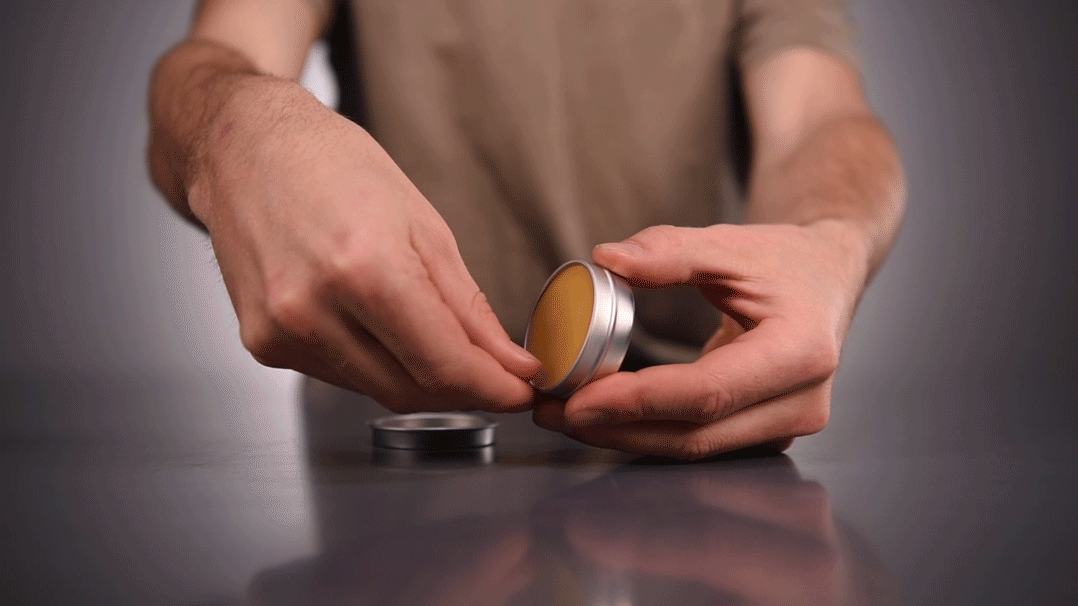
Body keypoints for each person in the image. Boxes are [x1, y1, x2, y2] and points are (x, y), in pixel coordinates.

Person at [148, 0, 905, 460]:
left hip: (694, 421)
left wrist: (829, 240)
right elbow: (216, 60)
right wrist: (231, 128)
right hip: (385, 418)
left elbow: (820, 116)